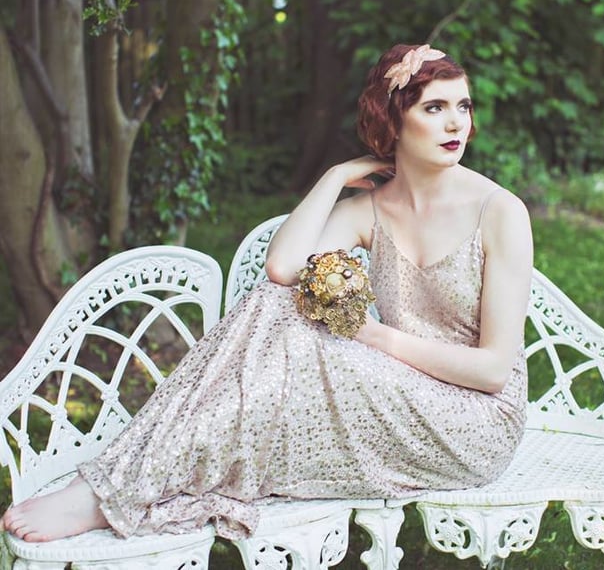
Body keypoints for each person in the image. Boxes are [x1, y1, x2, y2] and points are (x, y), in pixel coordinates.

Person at [1, 43, 533, 543]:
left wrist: (372, 336)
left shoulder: (500, 211)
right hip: (398, 392)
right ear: (393, 119)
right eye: (435, 108)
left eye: (462, 106)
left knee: (295, 333)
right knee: (278, 304)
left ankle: (114, 489)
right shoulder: (371, 208)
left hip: (473, 422)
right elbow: (282, 269)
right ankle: (125, 480)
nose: (457, 123)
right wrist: (335, 177)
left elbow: (492, 371)